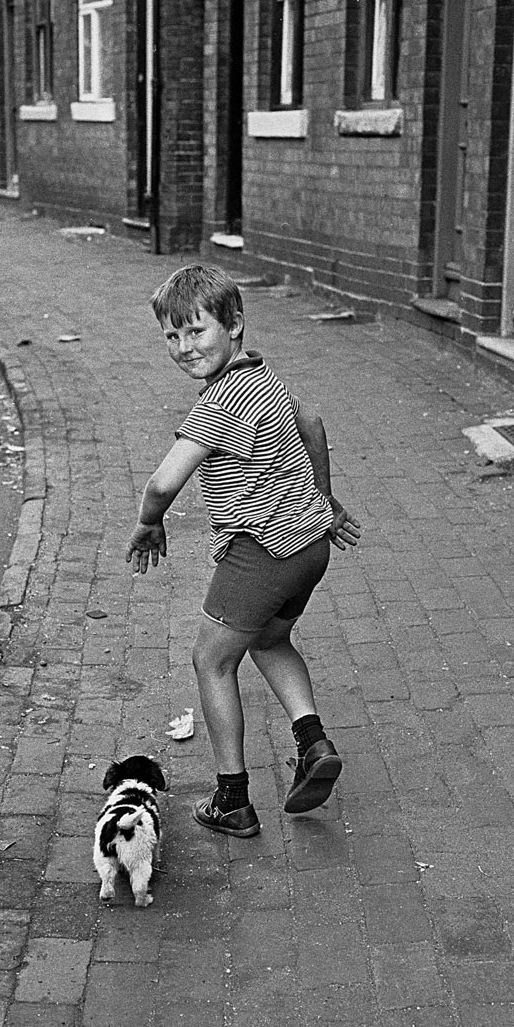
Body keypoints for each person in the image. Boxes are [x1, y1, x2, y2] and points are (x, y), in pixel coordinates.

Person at [125, 264, 360, 837]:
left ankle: (232, 799)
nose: (184, 347)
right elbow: (312, 420)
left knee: (212, 660)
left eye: (197, 331)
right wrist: (325, 500)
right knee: (271, 640)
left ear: (233, 325)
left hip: (259, 554)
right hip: (309, 545)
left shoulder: (215, 405)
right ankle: (313, 744)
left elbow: (162, 482)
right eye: (172, 336)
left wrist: (149, 523)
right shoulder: (262, 375)